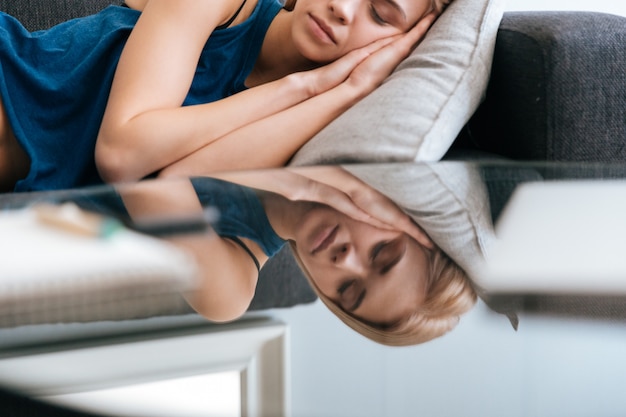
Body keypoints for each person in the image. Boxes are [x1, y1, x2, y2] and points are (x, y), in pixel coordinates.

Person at [0, 0, 449, 193]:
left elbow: (170, 185)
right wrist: (304, 86)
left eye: (380, 14)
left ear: (397, 51)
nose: (343, 8)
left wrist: (347, 92)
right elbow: (121, 152)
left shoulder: (305, 126)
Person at [113, 167, 476, 346]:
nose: (345, 262)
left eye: (348, 290)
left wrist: (300, 182)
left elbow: (139, 168)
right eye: (381, 252)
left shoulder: (229, 289)